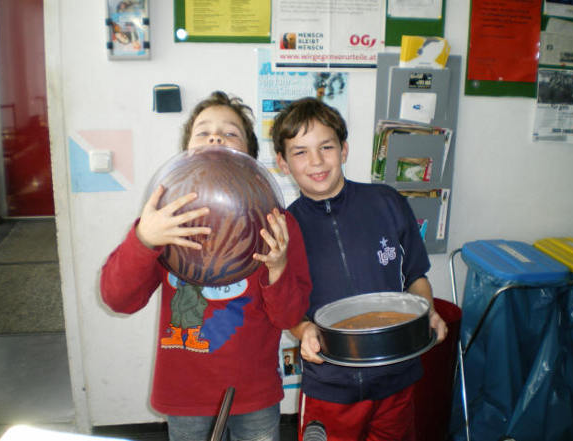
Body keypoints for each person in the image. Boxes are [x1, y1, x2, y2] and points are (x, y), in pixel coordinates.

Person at [100, 91, 312, 441]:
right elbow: (118, 299)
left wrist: (277, 269)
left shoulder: (278, 225)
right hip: (185, 393)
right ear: (187, 152)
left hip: (255, 391)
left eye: (230, 133)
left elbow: (290, 317)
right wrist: (144, 239)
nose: (216, 137)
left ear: (249, 156)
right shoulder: (162, 222)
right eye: (203, 132)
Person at [271, 97, 448, 441]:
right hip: (329, 385)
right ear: (282, 162)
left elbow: (416, 277)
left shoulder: (387, 202)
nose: (317, 161)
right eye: (300, 152)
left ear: (345, 149)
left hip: (396, 375)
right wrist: (302, 329)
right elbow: (285, 306)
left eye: (326, 146)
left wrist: (427, 311)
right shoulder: (284, 228)